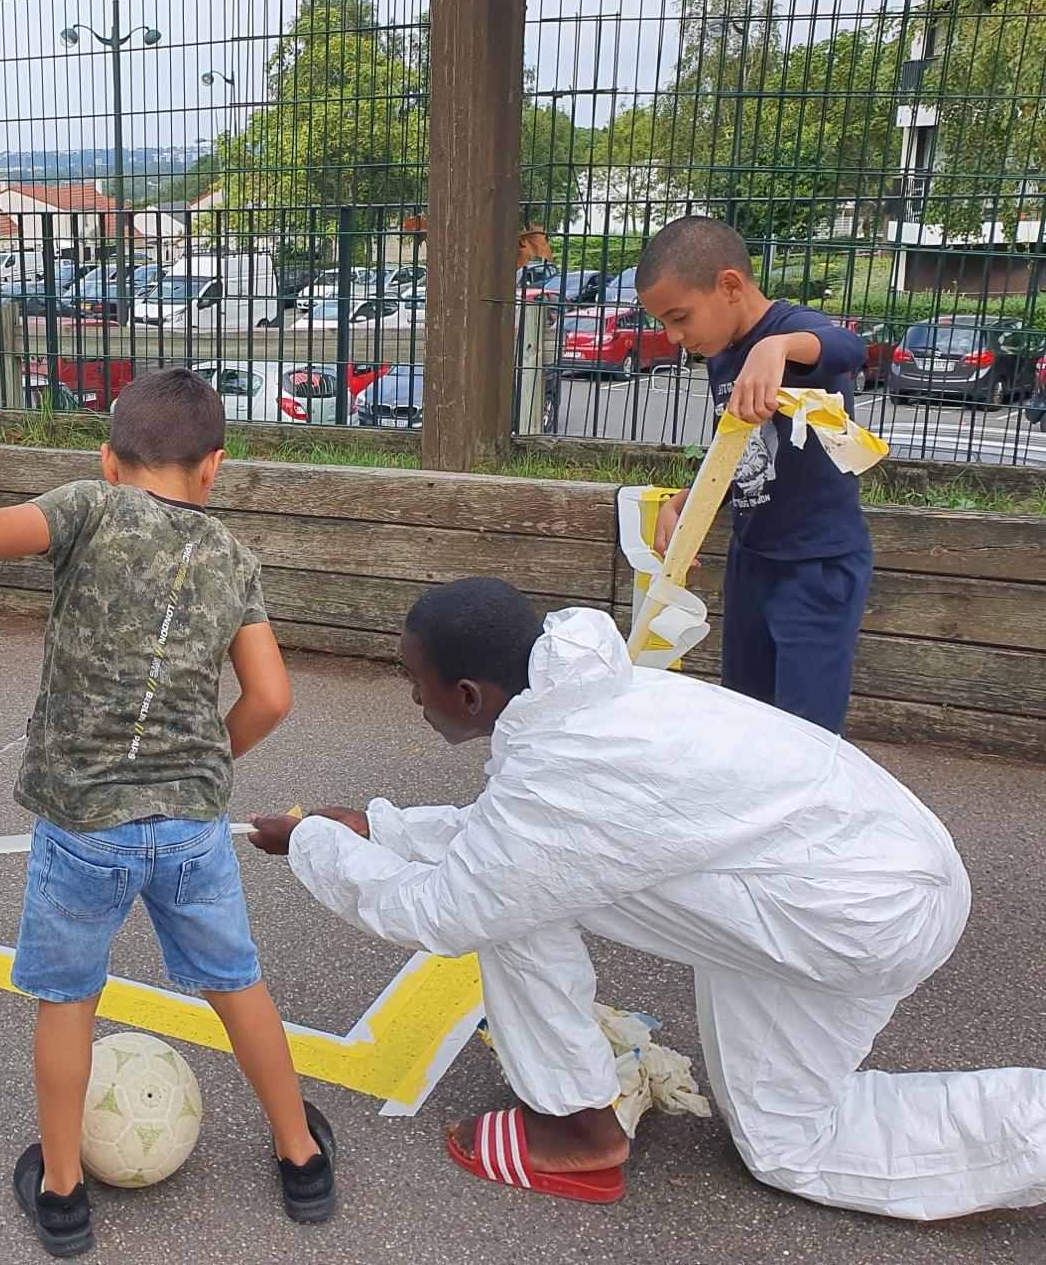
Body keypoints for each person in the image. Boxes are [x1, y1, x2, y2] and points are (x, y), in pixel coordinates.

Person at [250, 577, 1046, 1221]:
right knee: (784, 1145)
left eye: (412, 683)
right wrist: (378, 827)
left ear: (466, 694)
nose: (411, 700)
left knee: (502, 904)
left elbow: (450, 906)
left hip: (855, 919)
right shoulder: (582, 698)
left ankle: (576, 1128)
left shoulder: (566, 772)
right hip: (870, 874)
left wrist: (316, 844)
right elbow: (516, 838)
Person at [0, 343, 335, 1258]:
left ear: (108, 459)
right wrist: (202, 763)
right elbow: (271, 698)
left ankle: (63, 1195)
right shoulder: (233, 556)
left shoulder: (89, 507)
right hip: (190, 827)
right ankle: (301, 1158)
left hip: (82, 826)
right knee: (235, 981)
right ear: (215, 468)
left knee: (69, 999)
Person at [635, 215, 872, 732]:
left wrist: (776, 348)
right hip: (752, 559)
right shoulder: (722, 354)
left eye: (680, 317)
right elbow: (737, 450)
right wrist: (686, 502)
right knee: (745, 716)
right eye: (664, 324)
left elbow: (848, 347)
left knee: (804, 734)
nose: (674, 337)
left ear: (730, 286)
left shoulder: (791, 331)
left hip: (815, 565)